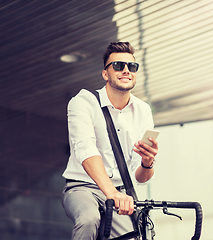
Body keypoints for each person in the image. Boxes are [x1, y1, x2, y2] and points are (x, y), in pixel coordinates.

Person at [62, 42, 158, 240]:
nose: (126, 71)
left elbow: (140, 178)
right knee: (89, 219)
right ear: (105, 74)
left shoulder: (143, 110)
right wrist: (112, 193)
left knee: (135, 235)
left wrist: (147, 163)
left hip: (121, 193)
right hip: (82, 187)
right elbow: (86, 151)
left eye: (131, 67)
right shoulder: (83, 102)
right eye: (118, 66)